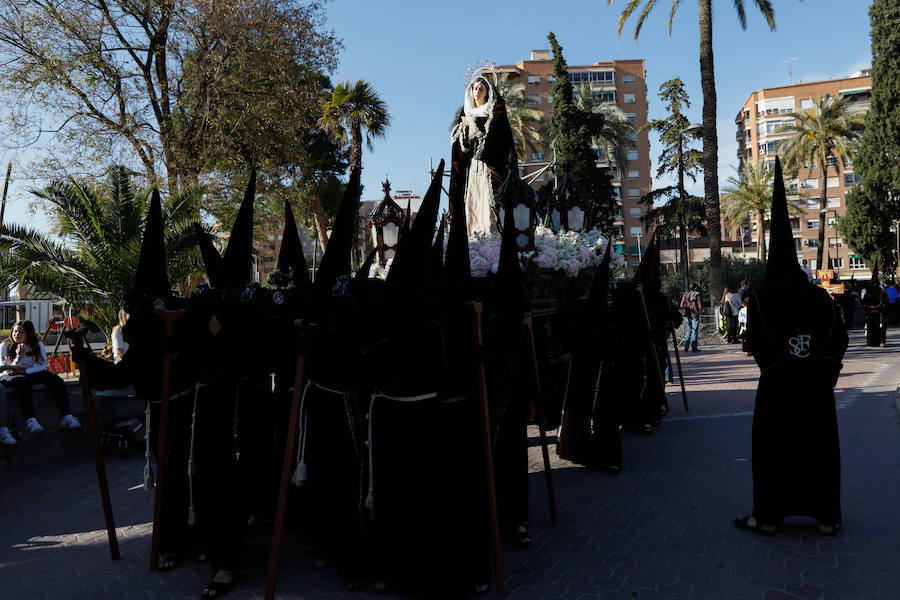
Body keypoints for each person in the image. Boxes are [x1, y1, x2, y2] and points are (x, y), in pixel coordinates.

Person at [734, 157, 846, 538]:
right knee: (820, 450)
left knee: (774, 452)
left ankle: (766, 518)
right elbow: (839, 338)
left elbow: (757, 342)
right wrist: (821, 371)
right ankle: (827, 517)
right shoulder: (819, 297)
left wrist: (778, 366)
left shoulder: (763, 297)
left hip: (779, 391)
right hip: (815, 390)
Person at [450, 75, 516, 238]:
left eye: (481, 88)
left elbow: (493, 139)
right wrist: (464, 130)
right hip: (472, 168)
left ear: (487, 93)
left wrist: (472, 124)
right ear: (471, 92)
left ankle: (491, 238)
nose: (477, 91)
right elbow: (462, 148)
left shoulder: (493, 113)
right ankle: (474, 239)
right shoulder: (465, 114)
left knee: (487, 203)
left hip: (489, 167)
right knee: (472, 202)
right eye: (475, 88)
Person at [0, 320, 81, 433]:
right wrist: (19, 356)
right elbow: (5, 368)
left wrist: (27, 371)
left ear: (29, 333)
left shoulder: (37, 344)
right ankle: (30, 420)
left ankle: (67, 416)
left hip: (29, 372)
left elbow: (42, 364)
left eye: (21, 332)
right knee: (24, 382)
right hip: (9, 375)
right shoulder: (5, 345)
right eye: (15, 331)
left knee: (56, 380)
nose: (16, 335)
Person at [679, 283, 702, 352]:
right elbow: (700, 306)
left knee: (688, 330)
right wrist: (695, 307)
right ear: (695, 288)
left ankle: (686, 346)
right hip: (694, 314)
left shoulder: (685, 294)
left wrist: (688, 306)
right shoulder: (696, 294)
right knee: (694, 330)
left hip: (687, 314)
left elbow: (681, 305)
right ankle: (694, 347)